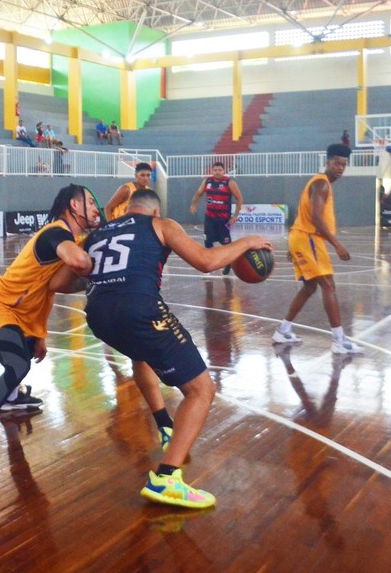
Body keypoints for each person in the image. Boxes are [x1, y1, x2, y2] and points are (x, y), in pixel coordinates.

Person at [84, 189, 273, 508]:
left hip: (98, 316)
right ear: (154, 212)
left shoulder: (98, 233)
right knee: (201, 389)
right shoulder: (161, 225)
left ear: (129, 209)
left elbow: (62, 283)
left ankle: (166, 427)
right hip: (140, 309)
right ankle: (167, 479)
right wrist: (247, 242)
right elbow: (207, 262)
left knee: (139, 356)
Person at [0, 185, 101, 484]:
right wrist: (103, 272)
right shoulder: (54, 234)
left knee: (25, 355)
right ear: (74, 205)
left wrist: (40, 334)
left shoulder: (65, 241)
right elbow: (81, 263)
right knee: (17, 366)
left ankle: (11, 398)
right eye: (91, 202)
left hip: (22, 315)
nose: (96, 208)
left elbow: (55, 286)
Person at [273, 143, 363, 354]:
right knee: (328, 286)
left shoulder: (319, 183)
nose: (340, 168)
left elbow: (303, 214)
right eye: (337, 163)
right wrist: (337, 245)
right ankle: (339, 341)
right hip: (308, 238)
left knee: (310, 286)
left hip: (302, 238)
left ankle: (283, 331)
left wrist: (295, 244)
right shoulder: (321, 184)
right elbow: (314, 217)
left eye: (344, 164)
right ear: (327, 162)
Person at [189, 161, 243, 275]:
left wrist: (235, 215)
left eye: (220, 170)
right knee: (208, 243)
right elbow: (198, 193)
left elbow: (239, 198)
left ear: (224, 171)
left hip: (224, 220)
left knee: (226, 244)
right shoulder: (207, 181)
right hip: (209, 218)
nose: (217, 172)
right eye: (215, 170)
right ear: (212, 171)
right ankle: (209, 264)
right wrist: (194, 204)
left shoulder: (229, 182)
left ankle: (228, 263)